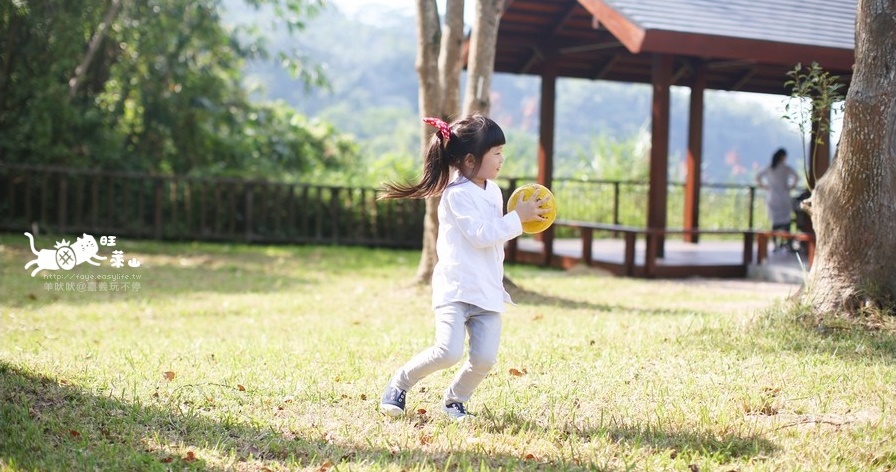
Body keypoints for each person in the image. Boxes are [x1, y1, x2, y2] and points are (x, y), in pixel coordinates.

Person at [376, 114, 548, 421]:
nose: (501, 159)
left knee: (484, 359)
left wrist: (523, 218)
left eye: (501, 152)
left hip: (487, 291)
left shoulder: (493, 191)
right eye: (495, 153)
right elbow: (482, 235)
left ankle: (455, 400)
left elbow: (496, 231)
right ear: (470, 160)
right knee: (448, 352)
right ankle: (399, 383)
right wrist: (517, 219)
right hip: (456, 289)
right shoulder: (456, 196)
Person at [756, 147, 800, 251]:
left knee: (775, 222)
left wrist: (765, 186)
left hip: (772, 197)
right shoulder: (785, 168)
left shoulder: (770, 168)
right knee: (786, 221)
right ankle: (788, 243)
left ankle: (775, 244)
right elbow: (796, 177)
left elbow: (758, 177)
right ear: (782, 157)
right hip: (784, 197)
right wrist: (791, 187)